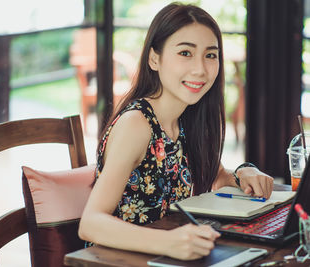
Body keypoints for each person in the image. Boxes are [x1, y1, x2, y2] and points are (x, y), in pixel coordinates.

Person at [79, 2, 274, 261]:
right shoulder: (137, 124)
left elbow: (216, 176)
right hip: (120, 260)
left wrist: (244, 172)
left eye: (210, 55)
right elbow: (90, 223)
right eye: (185, 53)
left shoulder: (185, 118)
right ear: (154, 59)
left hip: (166, 258)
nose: (200, 69)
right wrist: (169, 242)